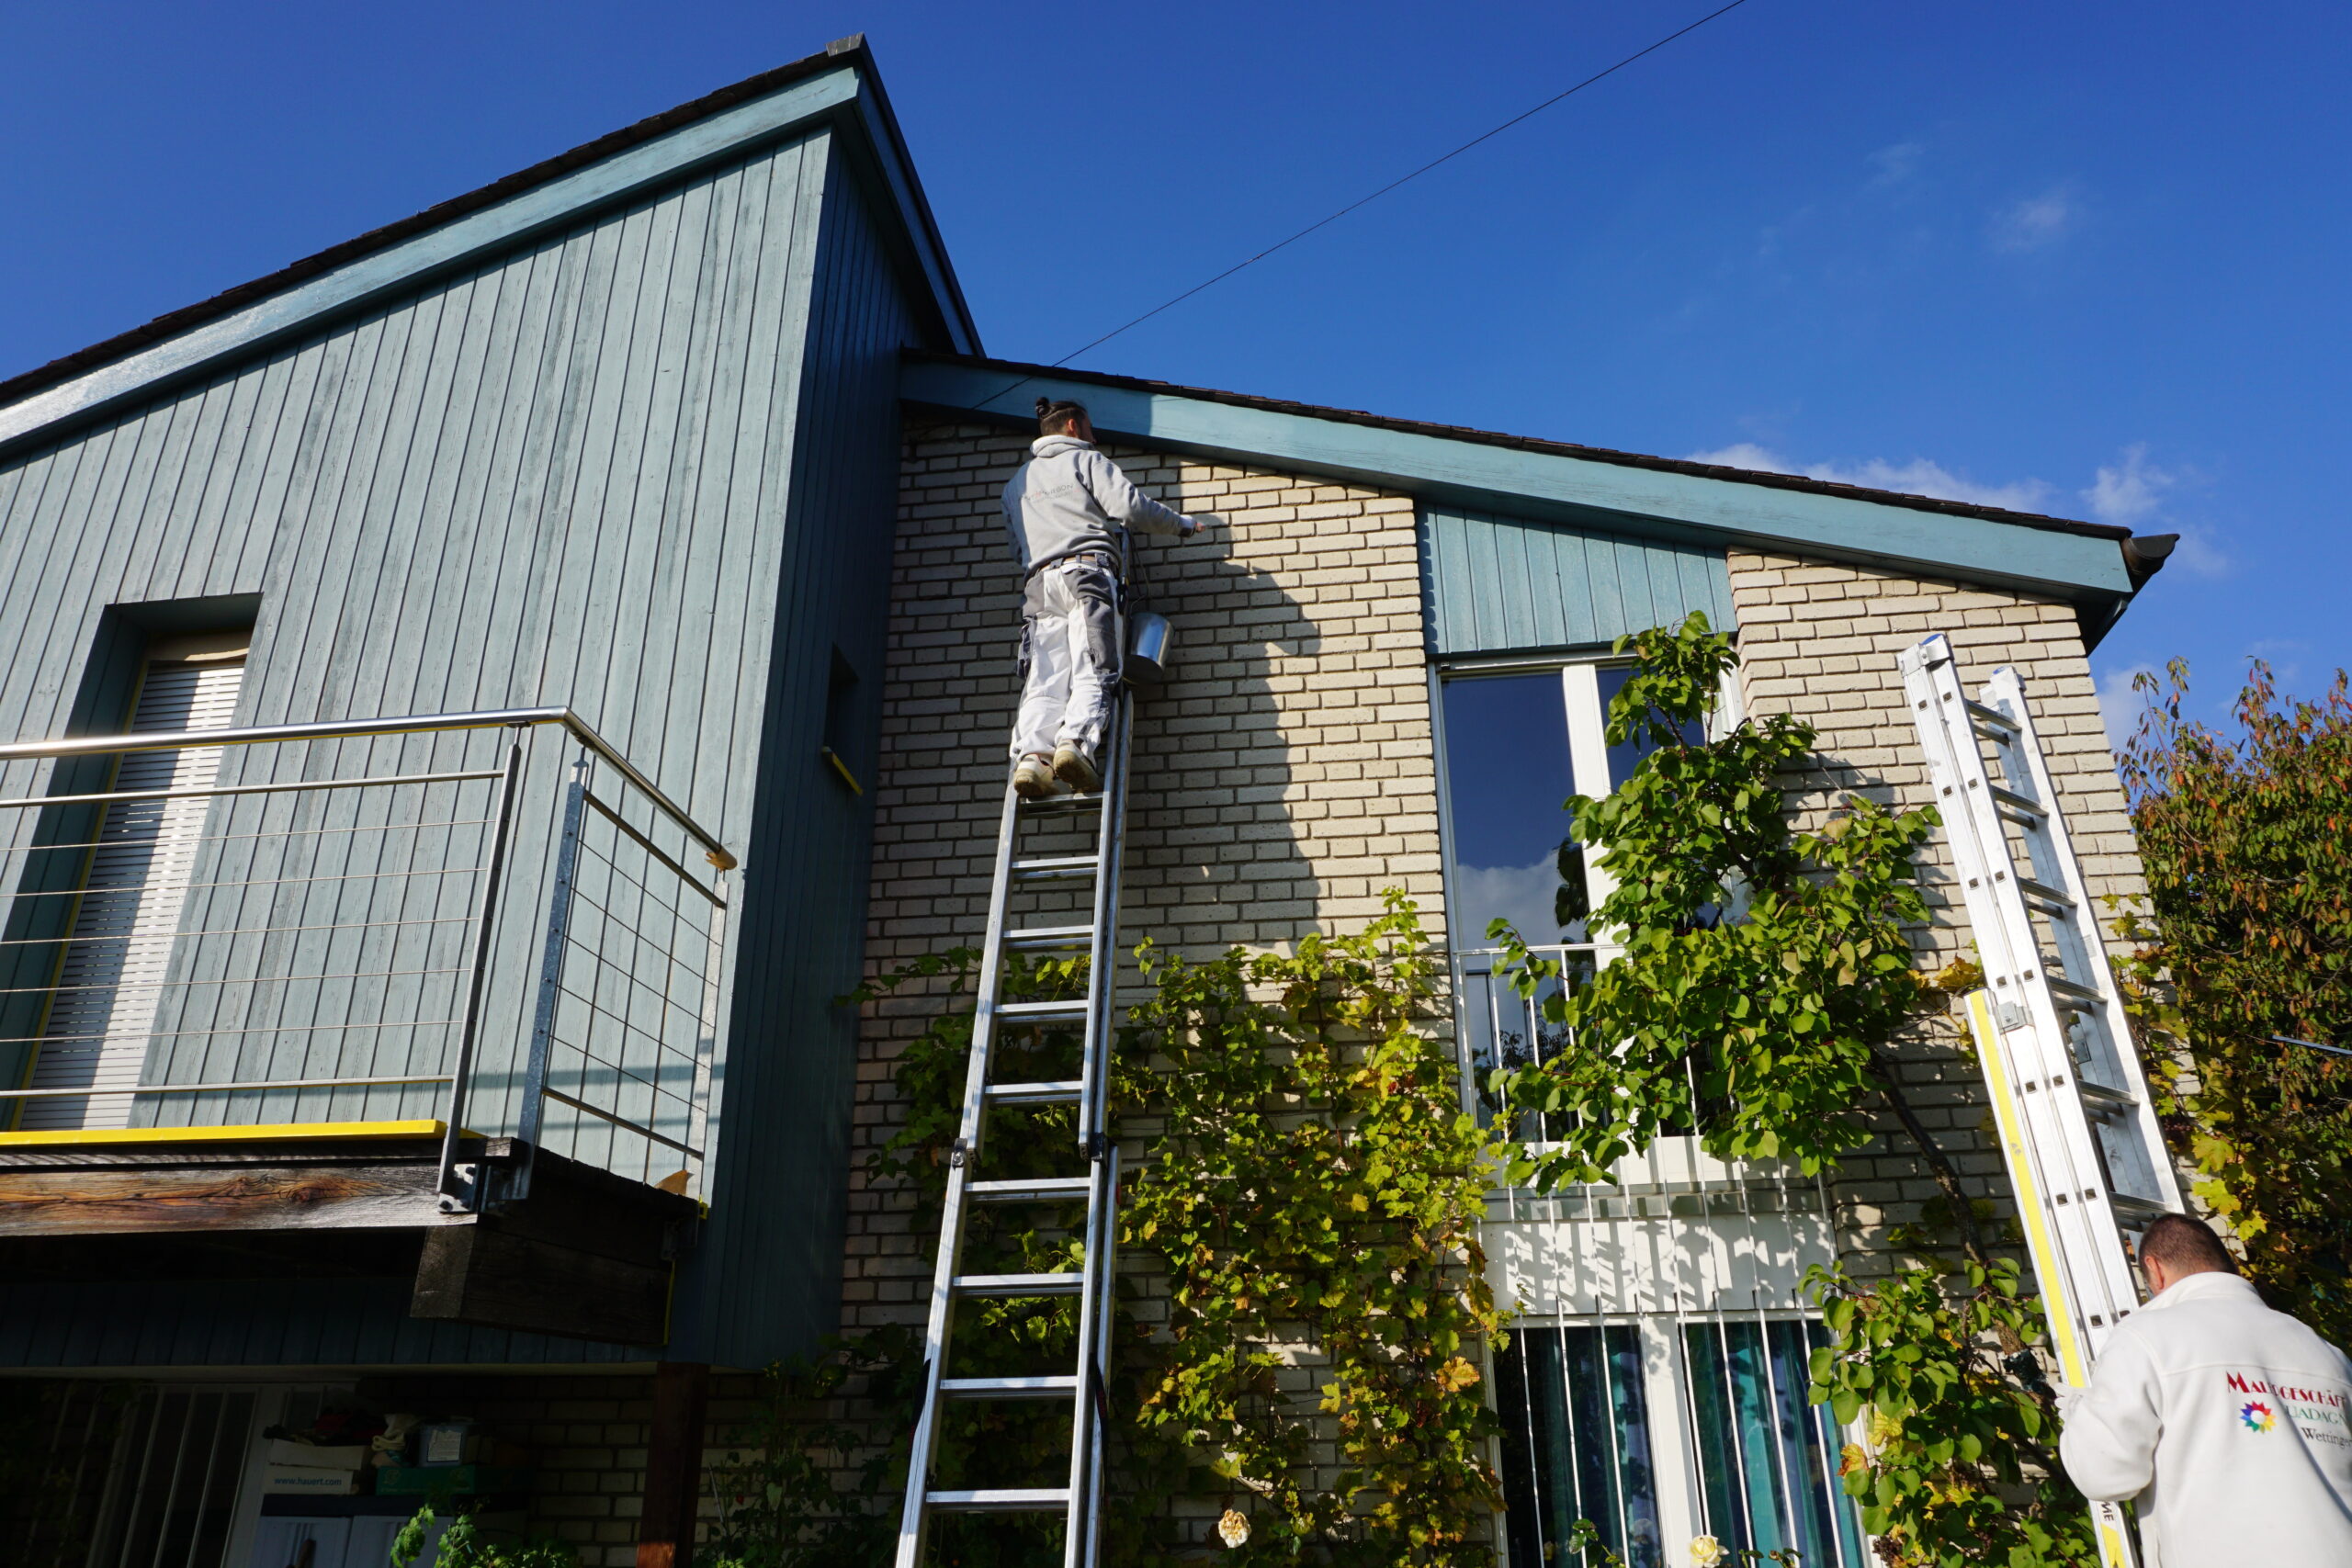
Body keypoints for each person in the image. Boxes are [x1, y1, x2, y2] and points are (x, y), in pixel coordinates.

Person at [2059, 1212, 2352, 1564]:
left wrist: (2077, 1409)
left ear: (2154, 1269)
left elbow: (2107, 1475)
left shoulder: (2147, 1336)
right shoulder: (2326, 1353)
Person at [998, 398, 1208, 796]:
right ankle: (1075, 745)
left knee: (1045, 676)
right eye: (1091, 429)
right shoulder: (1086, 460)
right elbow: (1130, 507)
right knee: (1092, 665)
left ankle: (1033, 759)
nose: (1094, 438)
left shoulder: (1016, 485)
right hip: (1087, 575)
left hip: (1039, 585)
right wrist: (1181, 525)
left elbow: (1016, 548)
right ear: (1073, 427)